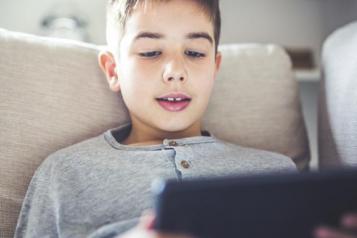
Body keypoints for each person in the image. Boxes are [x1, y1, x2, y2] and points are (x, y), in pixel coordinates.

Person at [14, 0, 298, 237]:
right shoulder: (64, 173)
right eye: (151, 52)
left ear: (214, 67)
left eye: (195, 53)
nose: (175, 70)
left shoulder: (276, 173)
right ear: (113, 70)